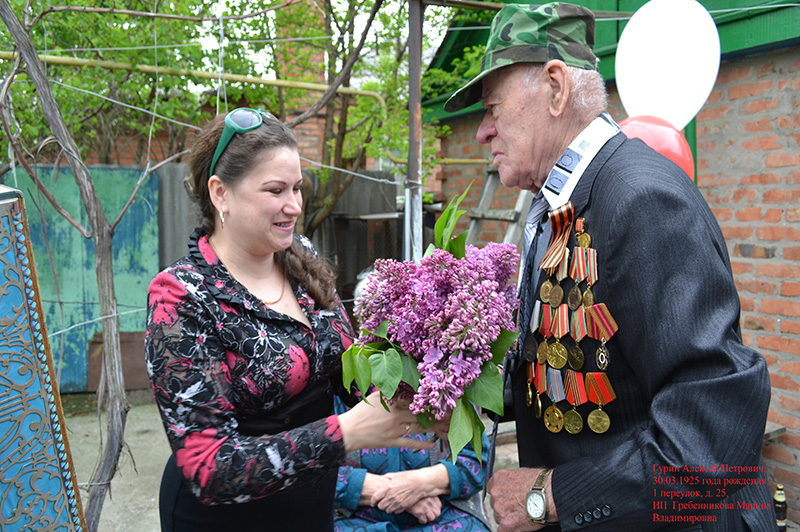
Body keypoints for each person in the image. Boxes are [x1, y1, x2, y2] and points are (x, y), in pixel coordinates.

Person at [444, 3, 775, 531]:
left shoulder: (641, 200)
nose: (483, 131)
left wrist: (549, 496)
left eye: (492, 108)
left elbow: (711, 439)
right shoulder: (561, 204)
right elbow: (577, 364)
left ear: (555, 87)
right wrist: (451, 385)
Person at [145, 108, 436, 532]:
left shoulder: (299, 254)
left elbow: (347, 369)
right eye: (275, 189)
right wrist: (345, 433)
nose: (294, 205)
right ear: (220, 193)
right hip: (227, 520)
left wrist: (421, 385)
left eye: (297, 187)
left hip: (310, 507)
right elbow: (208, 468)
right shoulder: (182, 295)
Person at [332, 396, 492, 532]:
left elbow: (478, 459)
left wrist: (422, 484)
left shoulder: (445, 380)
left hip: (442, 513)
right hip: (354, 517)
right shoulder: (333, 385)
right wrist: (388, 490)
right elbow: (313, 459)